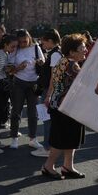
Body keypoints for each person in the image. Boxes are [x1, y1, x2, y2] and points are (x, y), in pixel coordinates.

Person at [41, 34, 87, 180]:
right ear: (72, 52)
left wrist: (49, 96)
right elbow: (85, 85)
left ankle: (68, 166)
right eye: (82, 48)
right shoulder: (72, 66)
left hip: (59, 106)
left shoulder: (62, 61)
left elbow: (53, 82)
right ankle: (48, 166)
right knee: (62, 139)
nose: (85, 50)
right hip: (67, 107)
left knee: (68, 138)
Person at [6, 29, 45, 149]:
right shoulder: (15, 49)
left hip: (33, 82)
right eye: (21, 42)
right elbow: (9, 70)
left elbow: (43, 61)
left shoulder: (35, 47)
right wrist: (18, 67)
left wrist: (40, 62)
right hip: (18, 82)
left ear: (29, 38)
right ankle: (14, 138)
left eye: (25, 41)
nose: (23, 44)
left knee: (33, 113)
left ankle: (33, 139)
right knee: (16, 111)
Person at [31, 28, 62, 158]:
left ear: (50, 41)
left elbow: (53, 76)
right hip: (51, 90)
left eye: (44, 43)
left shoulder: (55, 54)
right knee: (49, 120)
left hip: (49, 90)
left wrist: (48, 95)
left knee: (47, 120)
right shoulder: (56, 53)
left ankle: (48, 148)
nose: (43, 45)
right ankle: (50, 147)